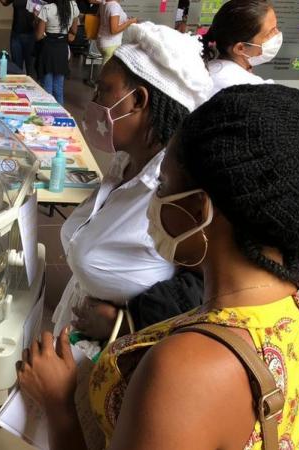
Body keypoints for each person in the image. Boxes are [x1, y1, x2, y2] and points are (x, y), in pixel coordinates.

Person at [18, 83, 299, 450]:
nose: (154, 201)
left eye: (162, 186)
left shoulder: (184, 371)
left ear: (199, 210)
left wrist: (58, 404)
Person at [52, 22, 212, 338]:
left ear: (138, 100)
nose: (94, 100)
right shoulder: (125, 162)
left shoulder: (177, 194)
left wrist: (125, 323)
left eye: (104, 90)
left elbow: (204, 287)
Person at [202, 0, 280, 97]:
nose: (277, 34)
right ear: (240, 48)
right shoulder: (256, 92)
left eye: (276, 28)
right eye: (270, 33)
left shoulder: (205, 71)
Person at [35, 0, 80, 104]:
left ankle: (48, 117)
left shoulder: (47, 8)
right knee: (59, 89)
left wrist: (37, 19)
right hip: (62, 49)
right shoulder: (73, 6)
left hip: (48, 50)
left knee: (47, 88)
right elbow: (73, 32)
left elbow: (38, 36)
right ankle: (61, 116)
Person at [0, 0, 37, 76]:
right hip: (16, 35)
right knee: (16, 68)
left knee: (31, 70)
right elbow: (5, 2)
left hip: (31, 35)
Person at [96, 0, 136, 65]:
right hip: (111, 44)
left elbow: (100, 18)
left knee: (107, 70)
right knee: (108, 72)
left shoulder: (103, 2)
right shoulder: (114, 6)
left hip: (102, 41)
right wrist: (130, 22)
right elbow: (114, 30)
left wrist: (126, 20)